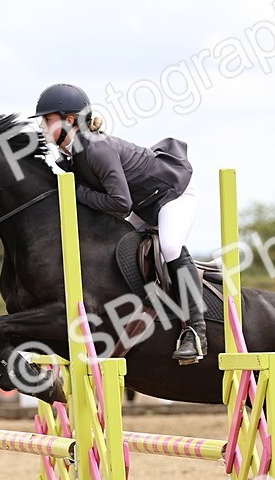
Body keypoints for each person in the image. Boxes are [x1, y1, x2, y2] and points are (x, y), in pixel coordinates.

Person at [30, 83, 206, 364]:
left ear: (70, 120)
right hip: (144, 203)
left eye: (47, 120)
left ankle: (195, 332)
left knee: (170, 246)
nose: (42, 126)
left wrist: (76, 191)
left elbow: (120, 204)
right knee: (121, 248)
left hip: (173, 193)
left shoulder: (96, 150)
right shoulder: (72, 152)